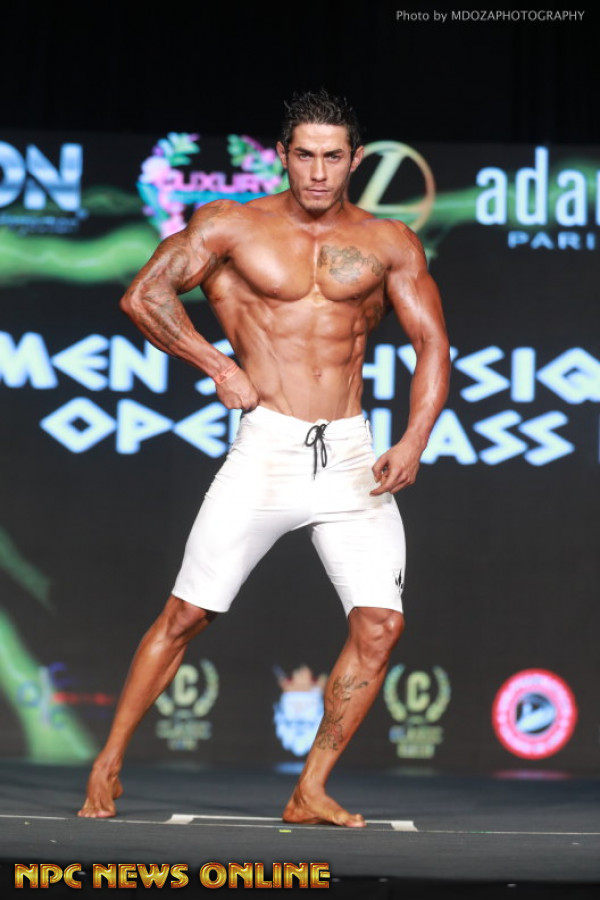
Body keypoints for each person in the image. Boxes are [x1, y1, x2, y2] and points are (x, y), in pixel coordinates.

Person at [78, 89, 450, 827]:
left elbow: (432, 344)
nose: (318, 172)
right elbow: (144, 296)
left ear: (356, 160)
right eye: (304, 155)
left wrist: (413, 439)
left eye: (332, 157)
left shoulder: (389, 242)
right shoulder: (232, 225)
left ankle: (310, 788)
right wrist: (217, 365)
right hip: (267, 449)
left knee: (381, 626)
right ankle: (108, 760)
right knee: (186, 614)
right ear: (283, 155)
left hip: (350, 455)